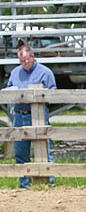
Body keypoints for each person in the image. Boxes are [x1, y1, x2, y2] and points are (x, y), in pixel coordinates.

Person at [4, 40, 57, 189]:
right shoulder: (15, 72)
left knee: (44, 149)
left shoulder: (45, 72)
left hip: (38, 115)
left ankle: (49, 181)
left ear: (33, 57)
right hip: (19, 114)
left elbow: (54, 93)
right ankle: (24, 184)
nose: (24, 63)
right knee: (21, 151)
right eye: (21, 61)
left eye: (27, 60)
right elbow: (8, 88)